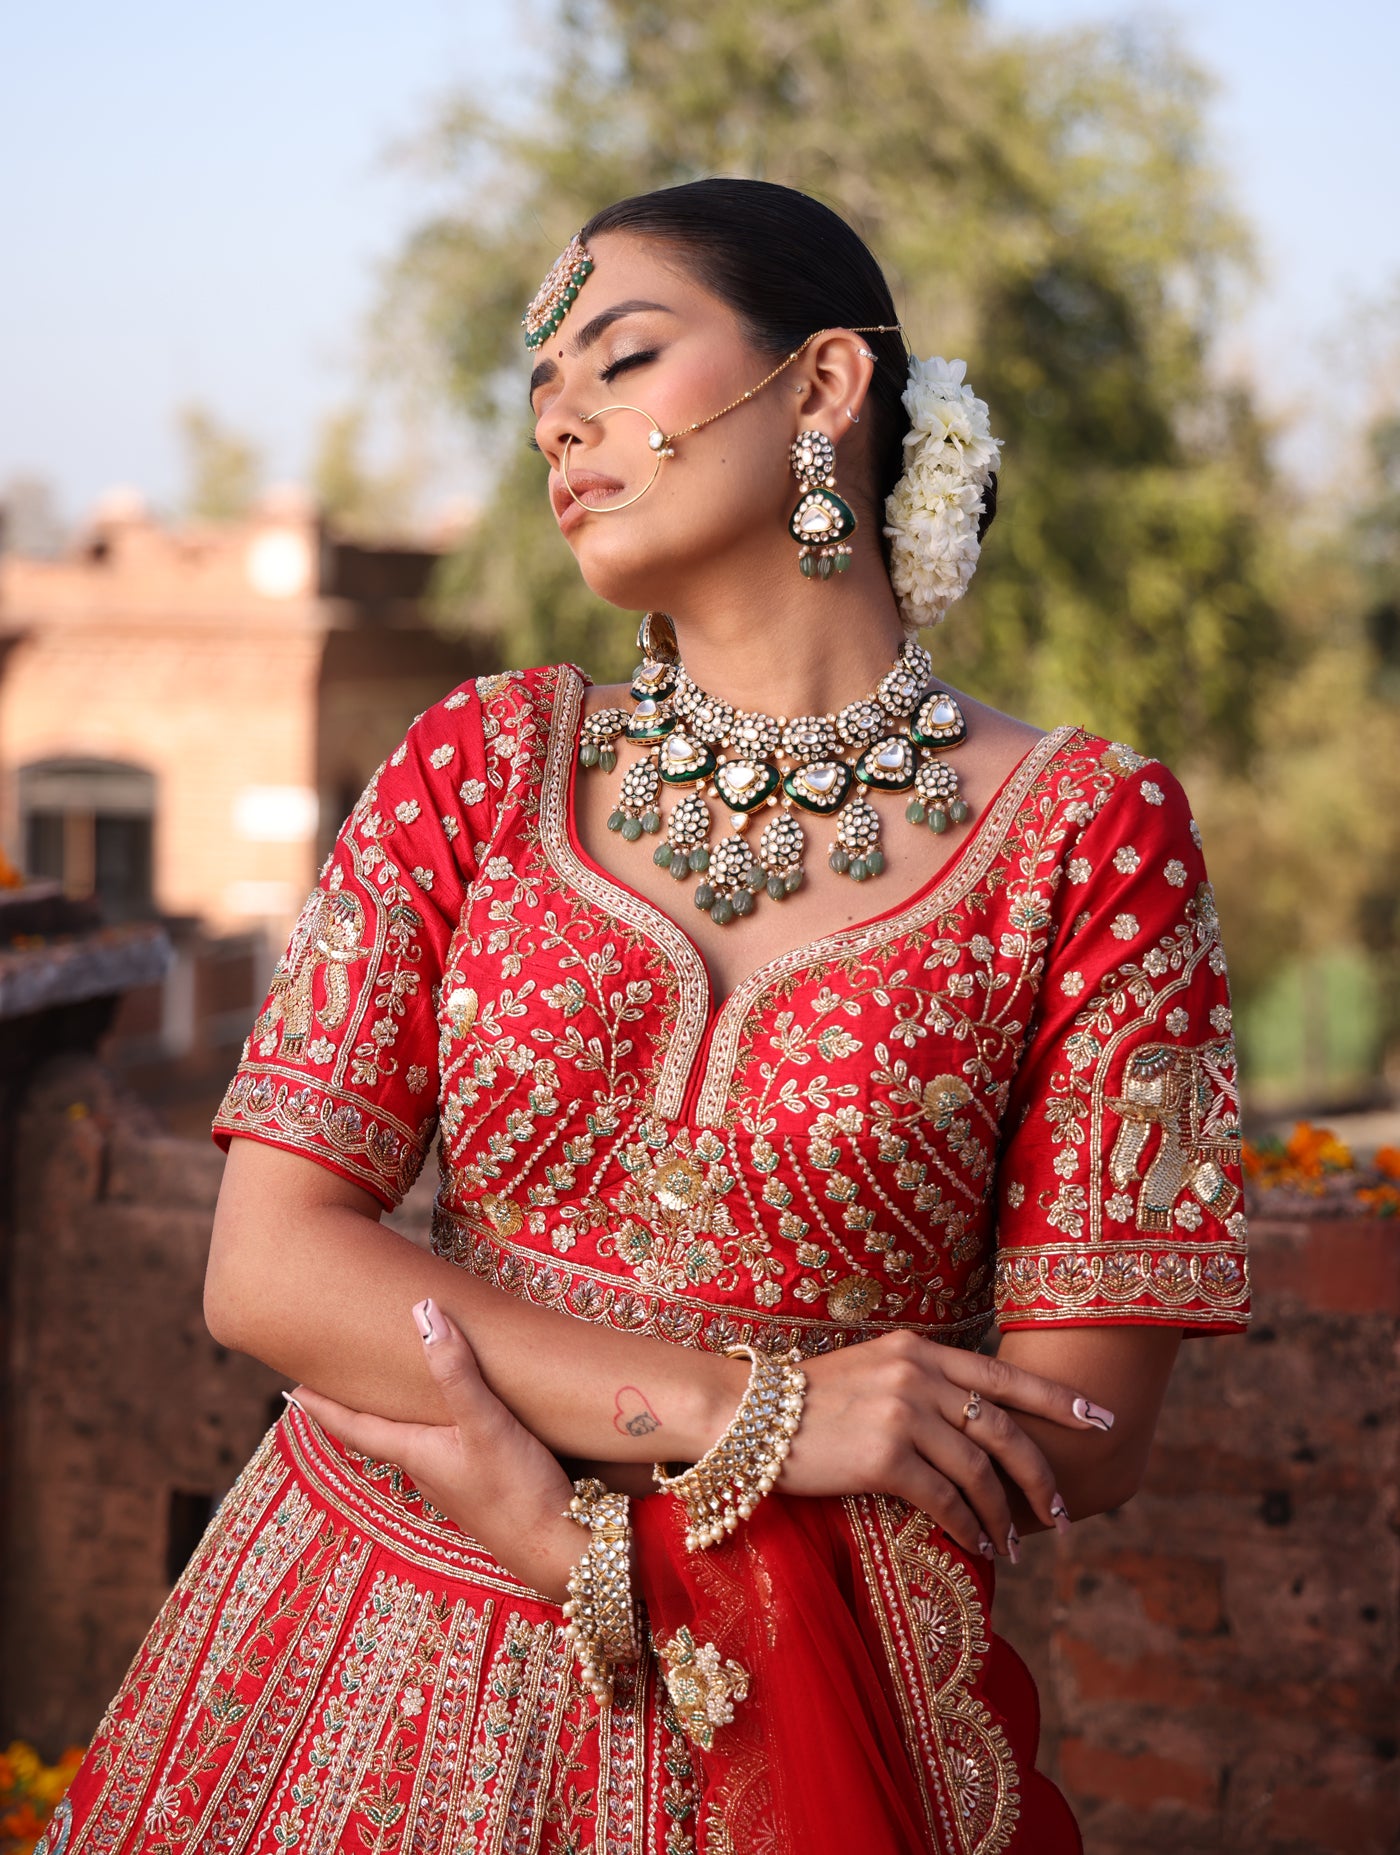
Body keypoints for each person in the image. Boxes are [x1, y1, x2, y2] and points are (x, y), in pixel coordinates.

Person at [43, 178, 1250, 1855]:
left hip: (802, 1705)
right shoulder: (480, 765)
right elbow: (270, 1267)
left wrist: (590, 1547)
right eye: (542, 396)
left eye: (620, 359)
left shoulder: (1085, 843)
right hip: (357, 1655)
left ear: (824, 385)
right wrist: (759, 1417)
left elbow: (1086, 1425)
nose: (565, 425)